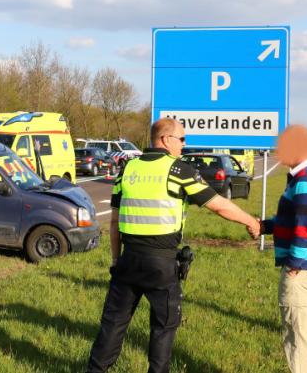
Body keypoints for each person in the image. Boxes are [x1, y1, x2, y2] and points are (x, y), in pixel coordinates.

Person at [86, 118, 261, 373]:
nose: (184, 144)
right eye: (181, 139)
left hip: (128, 260)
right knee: (163, 328)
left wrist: (116, 259)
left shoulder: (128, 169)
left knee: (112, 325)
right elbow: (218, 205)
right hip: (161, 263)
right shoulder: (178, 170)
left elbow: (114, 221)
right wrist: (251, 222)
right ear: (166, 140)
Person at [260, 125, 307, 373]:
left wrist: (293, 263)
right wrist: (266, 226)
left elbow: (306, 228)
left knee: (298, 337)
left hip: (302, 270)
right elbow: (299, 219)